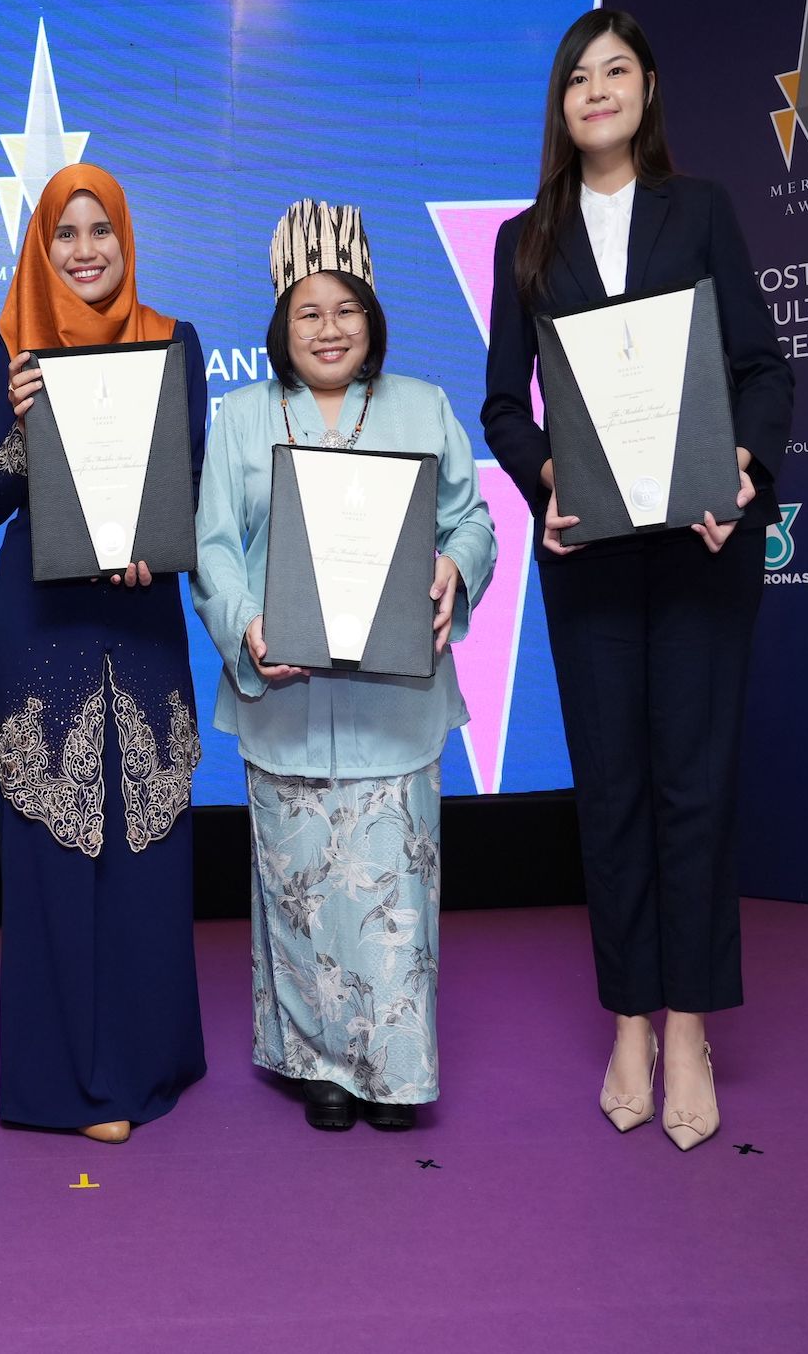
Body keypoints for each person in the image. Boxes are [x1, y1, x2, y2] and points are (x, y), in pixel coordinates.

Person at [481, 8, 794, 1151]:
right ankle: (628, 1018)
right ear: (559, 104)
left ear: (647, 89)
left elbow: (761, 367)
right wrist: (543, 477)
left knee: (692, 787)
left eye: (615, 70)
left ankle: (690, 1024)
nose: (595, 89)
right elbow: (502, 404)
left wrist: (740, 467)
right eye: (576, 76)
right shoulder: (524, 238)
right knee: (611, 791)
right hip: (590, 553)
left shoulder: (698, 208)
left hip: (703, 542)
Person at [192, 201, 495, 1132]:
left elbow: (471, 520)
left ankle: (395, 1071)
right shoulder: (241, 418)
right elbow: (214, 548)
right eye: (309, 312)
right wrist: (244, 624)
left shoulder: (422, 406)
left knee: (392, 894)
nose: (329, 329)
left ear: (373, 316)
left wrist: (455, 568)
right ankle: (318, 1064)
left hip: (394, 704)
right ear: (281, 322)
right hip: (284, 699)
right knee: (300, 894)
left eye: (347, 309)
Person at [0, 162, 207, 1142]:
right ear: (40, 246)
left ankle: (146, 1060)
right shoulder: (10, 348)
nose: (83, 250)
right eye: (63, 233)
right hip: (47, 633)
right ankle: (66, 1085)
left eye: (98, 229)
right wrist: (24, 427)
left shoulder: (172, 340)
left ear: (123, 237)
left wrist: (158, 539)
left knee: (144, 854)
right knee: (54, 858)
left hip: (141, 627)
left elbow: (186, 479)